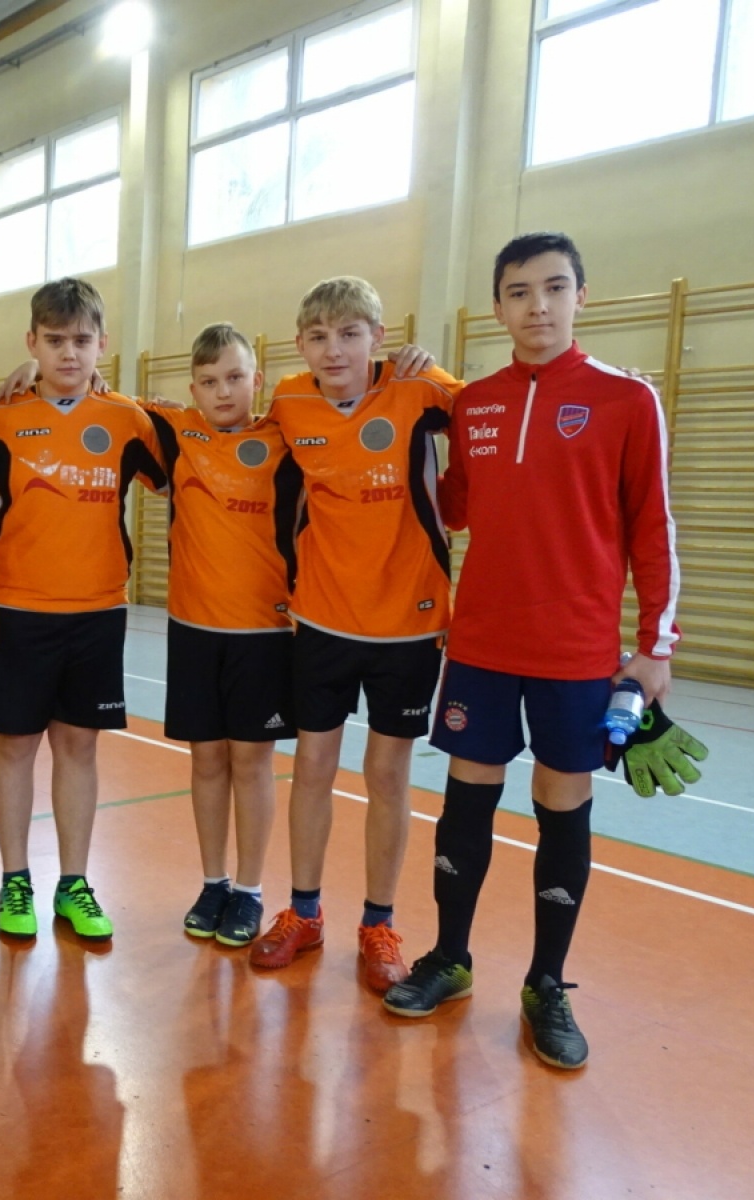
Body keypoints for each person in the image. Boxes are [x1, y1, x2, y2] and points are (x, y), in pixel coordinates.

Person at [383, 232, 685, 1070]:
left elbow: (653, 526)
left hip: (577, 651)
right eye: (519, 292)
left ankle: (546, 983)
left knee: (562, 802)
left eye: (554, 288)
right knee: (466, 801)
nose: (537, 306)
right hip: (482, 641)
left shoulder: (628, 399)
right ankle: (451, 958)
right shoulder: (475, 403)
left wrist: (656, 647)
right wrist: (414, 416)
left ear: (581, 296)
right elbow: (454, 509)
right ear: (498, 307)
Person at [251, 277, 455, 993]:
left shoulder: (420, 389)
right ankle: (304, 913)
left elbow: (505, 409)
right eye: (318, 337)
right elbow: (216, 422)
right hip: (323, 618)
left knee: (388, 775)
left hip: (410, 620)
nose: (333, 349)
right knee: (312, 767)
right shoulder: (289, 401)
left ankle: (379, 924)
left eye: (348, 333)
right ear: (300, 345)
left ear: (377, 337)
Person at [0, 277, 166, 941]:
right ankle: (14, 879)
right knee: (15, 746)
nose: (68, 353)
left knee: (79, 746)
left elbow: (192, 449)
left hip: (97, 611)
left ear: (102, 344)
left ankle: (74, 883)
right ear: (32, 342)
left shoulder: (128, 420)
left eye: (81, 340)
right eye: (54, 340)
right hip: (16, 609)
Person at [145, 323, 300, 947]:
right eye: (209, 382)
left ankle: (250, 889)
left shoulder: (286, 437)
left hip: (264, 632)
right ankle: (214, 882)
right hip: (193, 629)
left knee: (252, 763)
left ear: (257, 379)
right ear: (193, 390)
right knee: (207, 760)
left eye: (235, 377)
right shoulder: (176, 433)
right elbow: (98, 398)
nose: (224, 391)